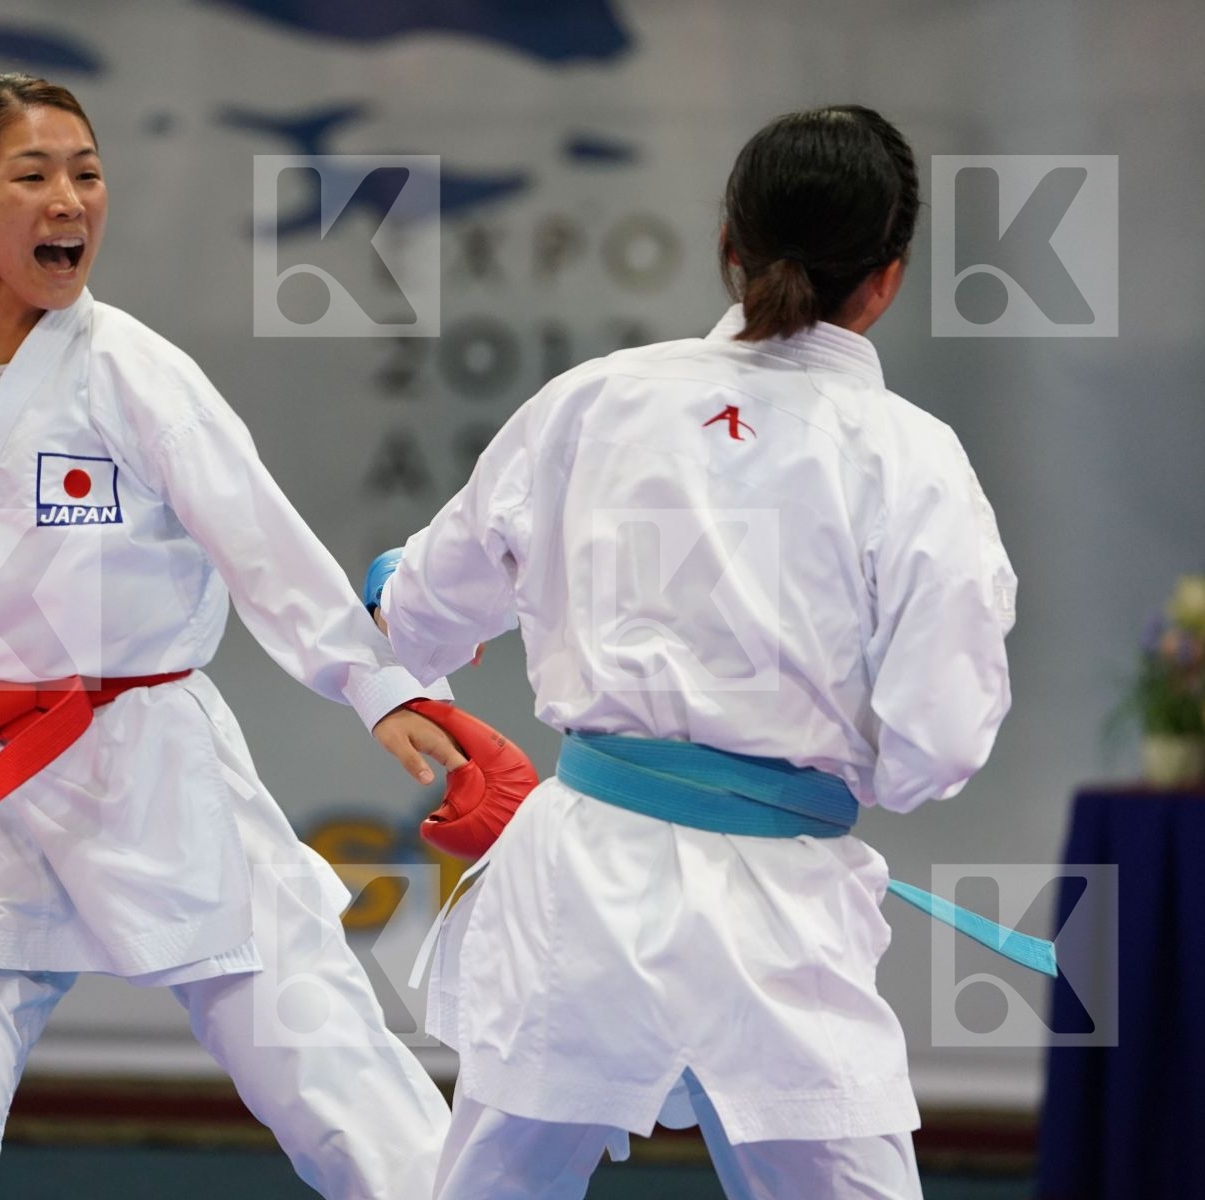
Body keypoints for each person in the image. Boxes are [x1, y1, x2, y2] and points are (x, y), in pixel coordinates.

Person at [369, 105, 1019, 1199]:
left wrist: (398, 592)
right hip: (779, 905)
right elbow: (936, 747)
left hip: (583, 874)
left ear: (731, 245)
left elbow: (423, 612)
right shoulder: (913, 459)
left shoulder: (595, 400)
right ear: (889, 277)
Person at [0, 73, 465, 1200]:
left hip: (147, 762)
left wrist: (382, 687)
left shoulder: (130, 369)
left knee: (332, 1084)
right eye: (32, 176)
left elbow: (259, 542)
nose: (70, 200)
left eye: (86, 173)